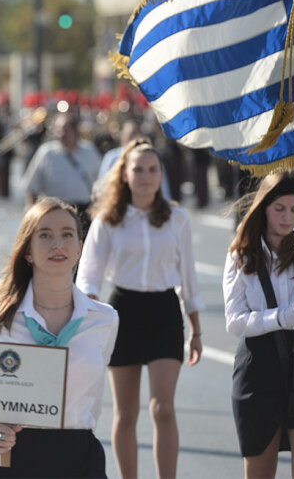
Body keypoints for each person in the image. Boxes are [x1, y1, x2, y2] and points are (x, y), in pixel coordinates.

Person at [76, 139, 204, 479]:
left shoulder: (177, 219)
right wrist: (88, 319)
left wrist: (196, 329)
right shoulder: (108, 220)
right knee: (126, 413)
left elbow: (188, 278)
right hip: (123, 312)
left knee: (163, 409)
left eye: (152, 169)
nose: (146, 176)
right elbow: (88, 277)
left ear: (162, 175)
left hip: (164, 312)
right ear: (124, 175)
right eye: (138, 169)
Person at [0, 198, 118, 478]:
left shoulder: (104, 319)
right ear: (28, 252)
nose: (58, 244)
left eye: (67, 235)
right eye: (45, 235)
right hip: (13, 456)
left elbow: (91, 400)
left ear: (80, 248)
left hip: (79, 457)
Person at [222, 170, 294, 479]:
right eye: (279, 209)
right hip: (260, 368)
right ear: (264, 209)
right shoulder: (242, 255)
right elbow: (234, 322)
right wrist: (280, 318)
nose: (288, 217)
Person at [22, 113, 101, 235]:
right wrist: (30, 211)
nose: (60, 133)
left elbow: (101, 184)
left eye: (65, 129)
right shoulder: (47, 152)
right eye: (57, 129)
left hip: (83, 212)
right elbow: (31, 186)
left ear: (75, 130)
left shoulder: (90, 152)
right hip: (52, 210)